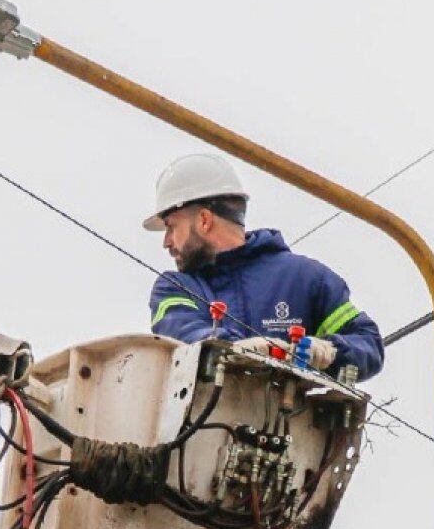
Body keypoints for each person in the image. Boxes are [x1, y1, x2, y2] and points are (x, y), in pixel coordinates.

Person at [145, 153, 384, 380]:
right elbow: (182, 332)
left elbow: (368, 343)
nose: (167, 242)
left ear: (204, 220)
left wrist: (331, 351)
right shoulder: (176, 288)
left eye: (171, 227)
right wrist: (236, 349)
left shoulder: (304, 279)